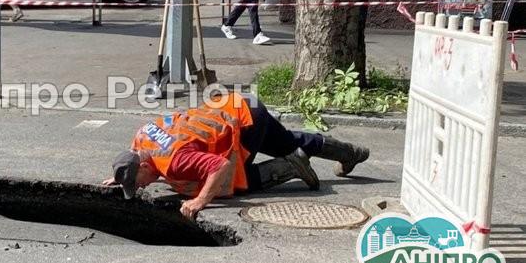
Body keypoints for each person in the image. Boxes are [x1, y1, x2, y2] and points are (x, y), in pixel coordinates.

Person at [104, 92, 370, 219]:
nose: (141, 187)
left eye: (137, 182)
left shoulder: (174, 162)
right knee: (287, 141)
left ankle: (290, 167)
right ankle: (351, 153)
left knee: (230, 184)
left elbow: (218, 165)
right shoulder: (142, 136)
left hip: (244, 121)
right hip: (238, 102)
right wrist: (121, 176)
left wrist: (199, 200)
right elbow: (132, 155)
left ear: (142, 165)